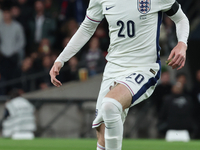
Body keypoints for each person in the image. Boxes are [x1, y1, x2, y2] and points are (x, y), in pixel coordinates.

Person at [50, 0, 189, 149]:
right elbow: (87, 28)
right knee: (102, 135)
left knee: (110, 105)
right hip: (113, 68)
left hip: (143, 67)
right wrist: (61, 60)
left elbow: (181, 18)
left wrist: (182, 44)